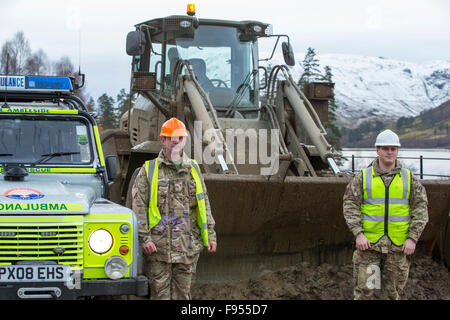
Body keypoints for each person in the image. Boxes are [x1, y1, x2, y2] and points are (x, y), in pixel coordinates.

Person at [132, 117, 217, 300]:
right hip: (158, 250)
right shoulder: (149, 171)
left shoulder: (194, 169)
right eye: (172, 137)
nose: (176, 141)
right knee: (160, 296)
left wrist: (210, 235)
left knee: (183, 296)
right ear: (163, 140)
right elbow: (139, 206)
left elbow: (204, 205)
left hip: (187, 248)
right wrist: (145, 238)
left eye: (180, 137)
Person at [343, 129, 428, 300]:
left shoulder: (409, 179)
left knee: (391, 295)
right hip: (369, 247)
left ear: (397, 151)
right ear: (377, 150)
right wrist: (358, 234)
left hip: (398, 247)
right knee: (364, 294)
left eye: (393, 149)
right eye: (385, 148)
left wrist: (412, 238)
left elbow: (421, 208)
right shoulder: (363, 177)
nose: (390, 152)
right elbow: (350, 204)